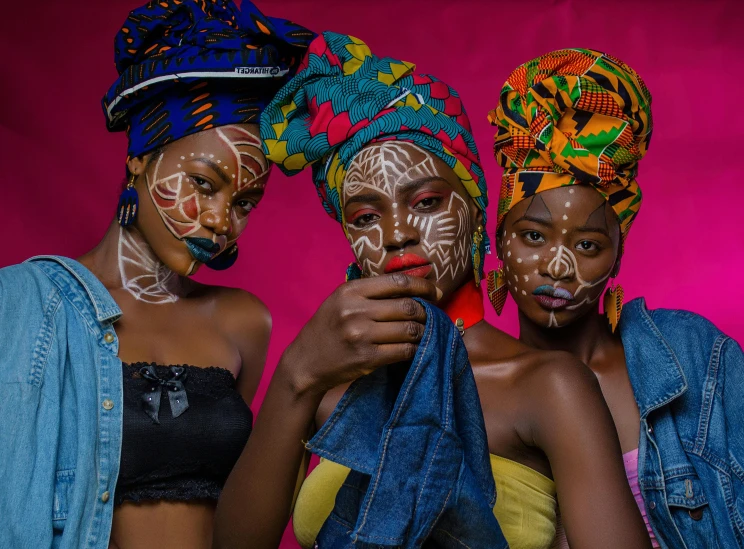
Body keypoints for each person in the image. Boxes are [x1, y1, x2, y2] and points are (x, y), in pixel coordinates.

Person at [214, 33, 651, 549]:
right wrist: (296, 376)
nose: (397, 232)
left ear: (474, 210)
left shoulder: (547, 386)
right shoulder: (326, 386)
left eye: (424, 202)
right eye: (366, 215)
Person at [0, 2, 313, 548]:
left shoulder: (242, 322)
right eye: (203, 183)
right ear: (139, 162)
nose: (221, 221)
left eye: (245, 201)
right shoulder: (27, 305)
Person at [488, 48, 744, 548]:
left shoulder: (695, 358)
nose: (558, 266)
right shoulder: (472, 389)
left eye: (587, 245)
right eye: (533, 237)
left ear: (617, 258)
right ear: (498, 240)